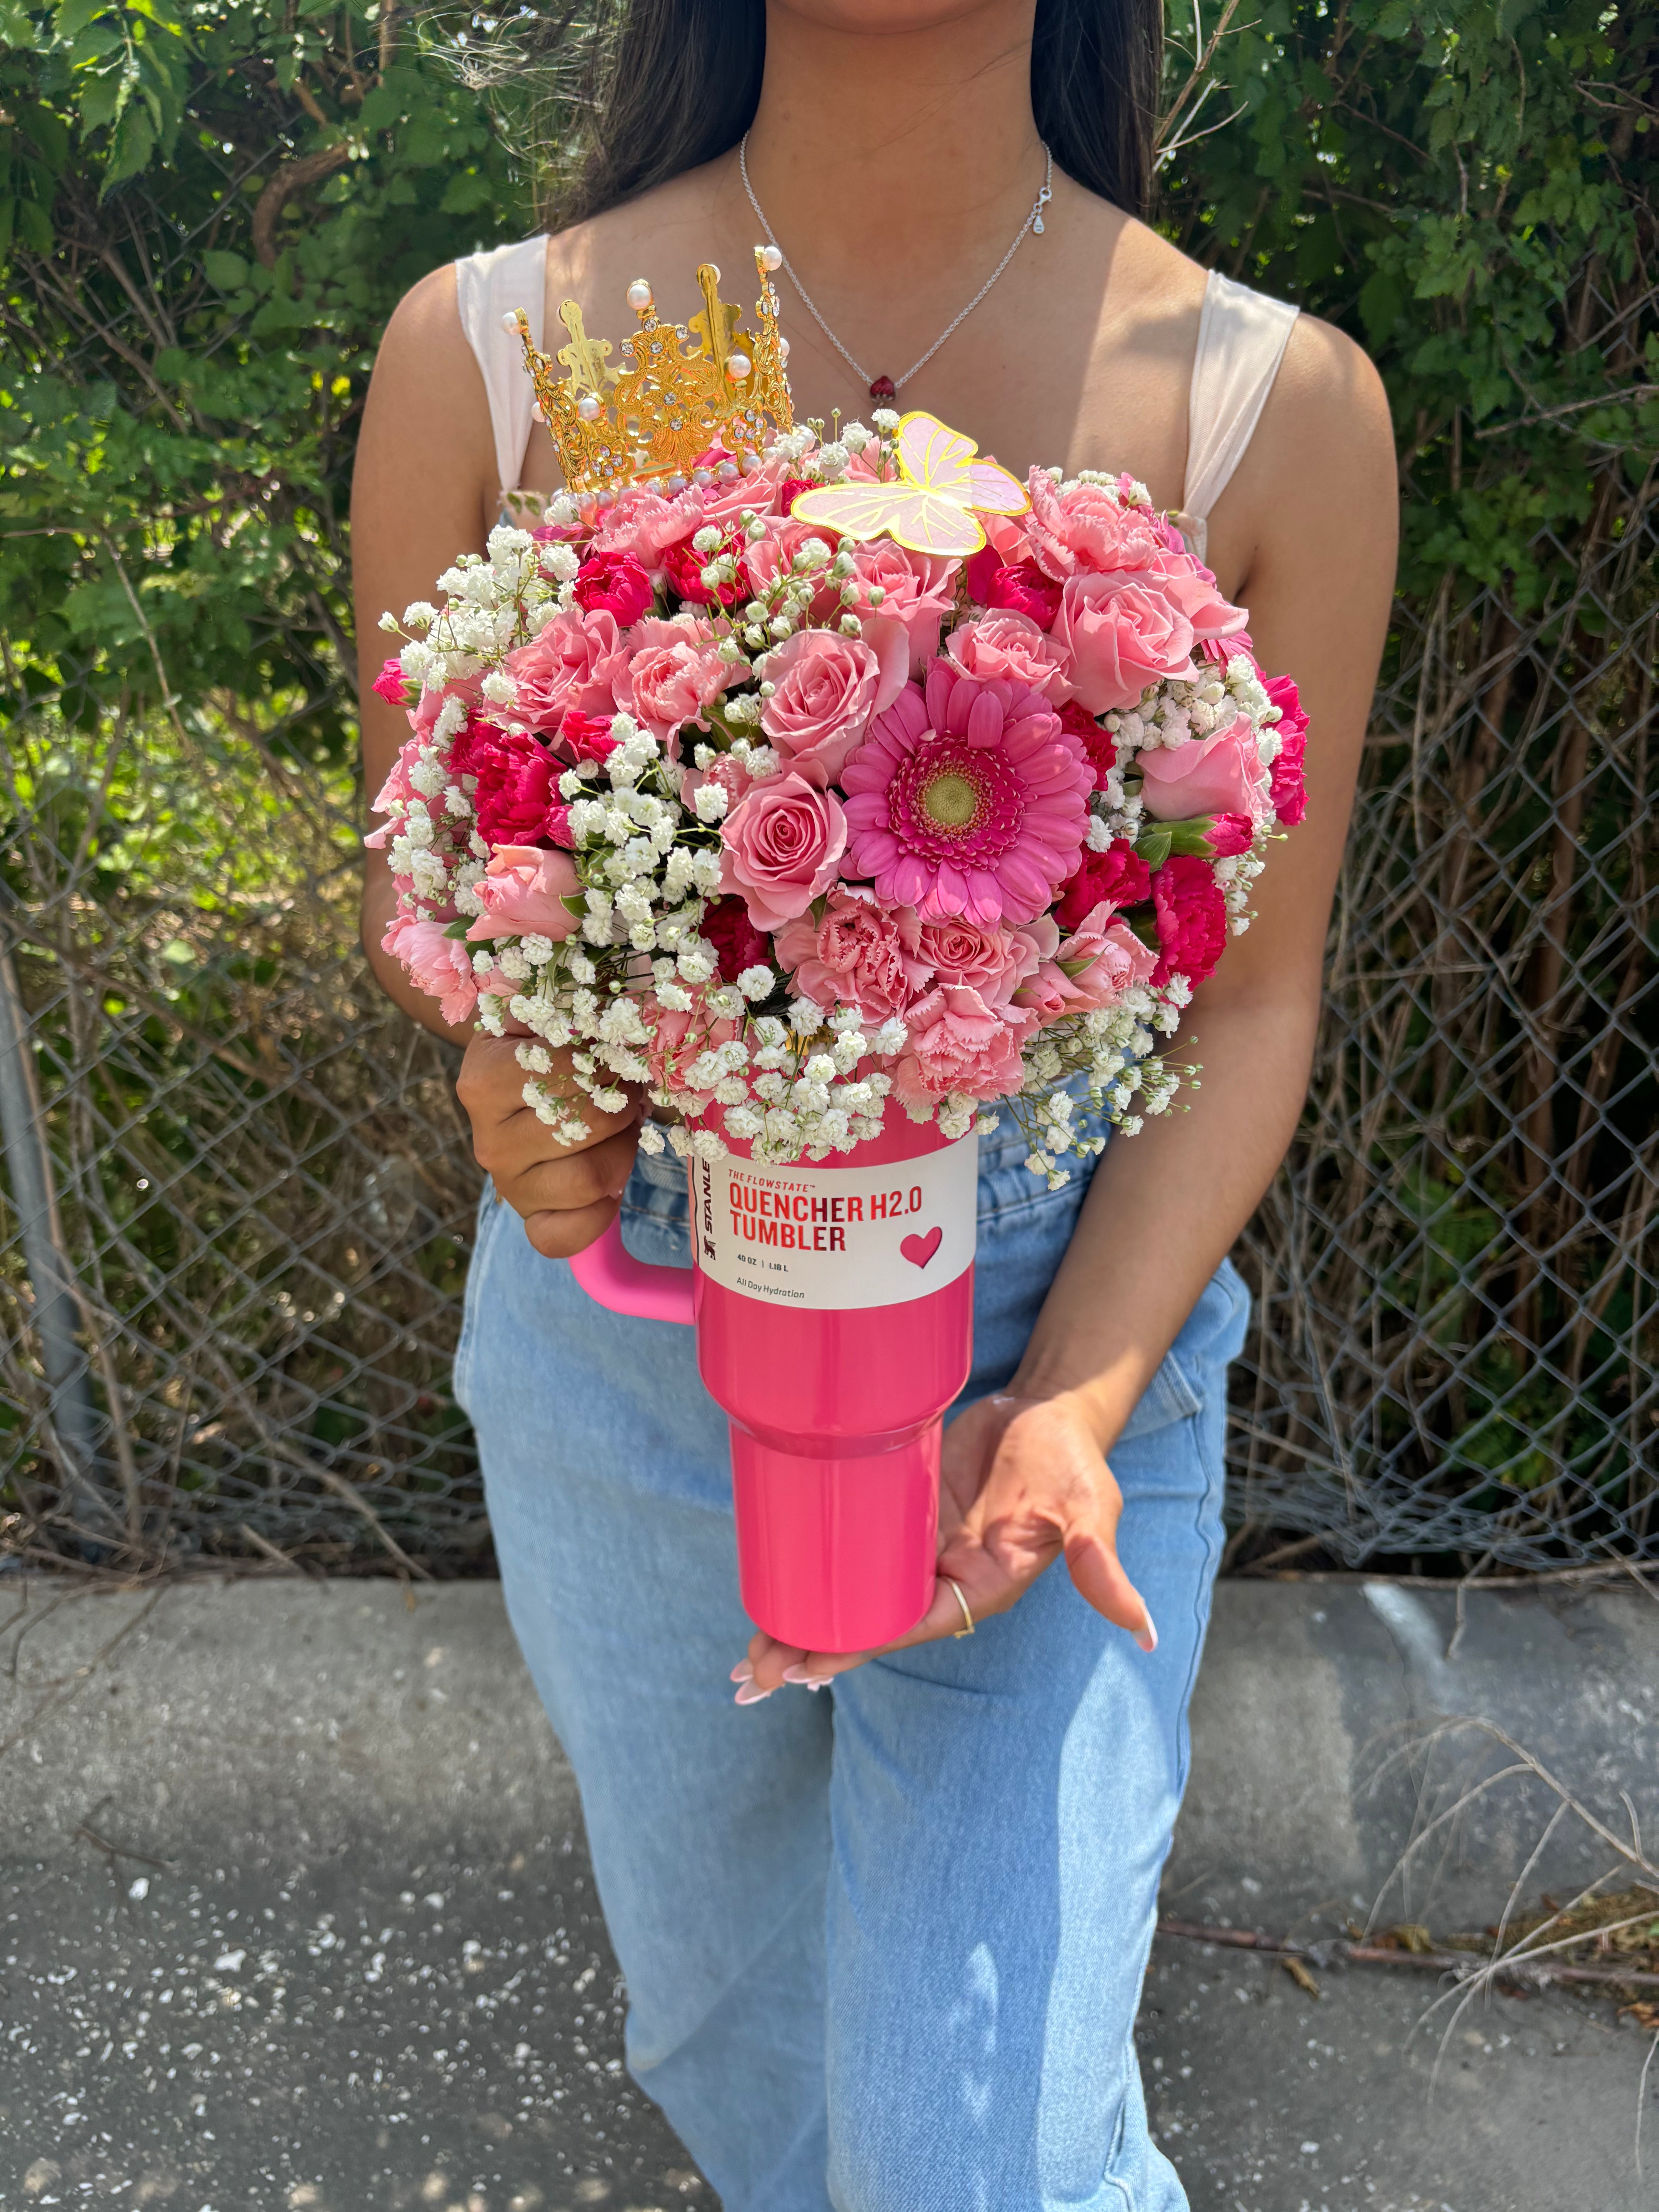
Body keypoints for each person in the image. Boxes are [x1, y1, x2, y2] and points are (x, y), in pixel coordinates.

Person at [352, 2, 1396, 2203]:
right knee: (738, 2061)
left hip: (1053, 1332)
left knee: (971, 2150)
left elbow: (1252, 1002)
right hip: (627, 1349)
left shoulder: (1271, 407)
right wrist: (523, 1100)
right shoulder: (487, 358)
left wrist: (1079, 1406)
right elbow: (443, 906)